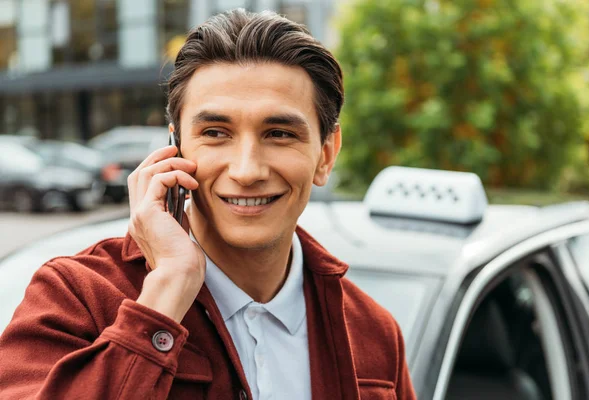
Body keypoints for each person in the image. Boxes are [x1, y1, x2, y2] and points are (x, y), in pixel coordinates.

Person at [0, 9, 416, 400]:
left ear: (325, 155)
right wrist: (167, 291)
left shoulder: (373, 333)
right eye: (216, 132)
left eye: (280, 134)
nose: (248, 169)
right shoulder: (77, 299)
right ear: (173, 149)